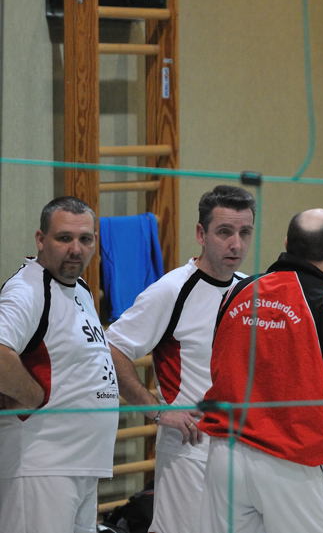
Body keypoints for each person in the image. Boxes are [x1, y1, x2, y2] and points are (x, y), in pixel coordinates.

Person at [198, 208, 323, 533]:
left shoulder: (237, 291)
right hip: (292, 462)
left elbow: (219, 362)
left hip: (223, 459)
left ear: (286, 243)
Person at [105, 185, 255, 533]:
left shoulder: (251, 290)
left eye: (245, 232)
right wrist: (157, 411)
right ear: (201, 234)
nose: (236, 244)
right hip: (190, 450)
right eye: (224, 232)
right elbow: (112, 350)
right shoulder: (171, 290)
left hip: (244, 448)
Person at [0, 196, 119, 533]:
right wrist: (34, 396)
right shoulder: (27, 291)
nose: (76, 249)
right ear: (41, 239)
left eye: (85, 239)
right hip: (42, 465)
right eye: (64, 238)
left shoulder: (79, 288)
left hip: (82, 463)